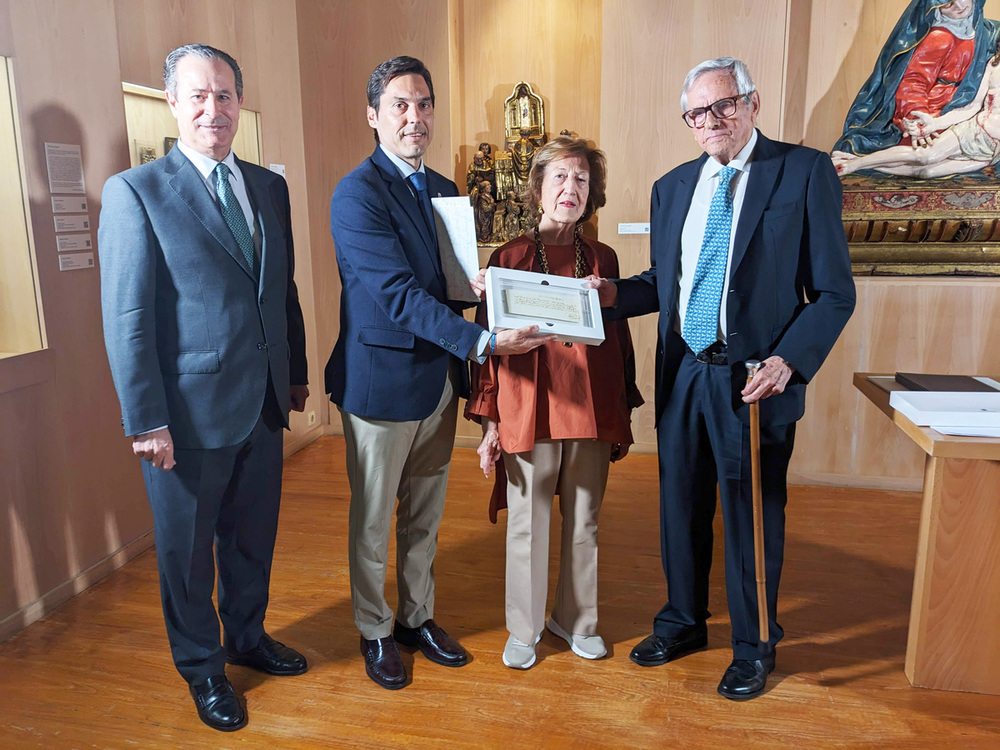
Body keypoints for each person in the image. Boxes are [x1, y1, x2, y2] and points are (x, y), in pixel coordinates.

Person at [591, 57, 855, 700]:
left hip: (754, 379)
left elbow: (833, 293)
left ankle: (754, 644)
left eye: (723, 106)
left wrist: (787, 362)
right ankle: (682, 622)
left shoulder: (803, 171)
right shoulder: (673, 185)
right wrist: (606, 294)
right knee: (679, 506)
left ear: (753, 103)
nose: (710, 121)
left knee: (751, 515)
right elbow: (667, 284)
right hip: (684, 372)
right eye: (696, 113)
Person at [99, 44, 309, 731]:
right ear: (172, 104)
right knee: (187, 557)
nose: (213, 108)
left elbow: (282, 293)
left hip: (263, 405)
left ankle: (247, 637)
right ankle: (203, 667)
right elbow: (128, 320)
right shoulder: (137, 193)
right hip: (183, 420)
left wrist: (296, 374)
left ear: (239, 104)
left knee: (252, 539)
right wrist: (144, 420)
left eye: (224, 95)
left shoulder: (267, 186)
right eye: (198, 95)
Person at [325, 56, 551, 691]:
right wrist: (483, 339)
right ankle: (374, 628)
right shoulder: (357, 193)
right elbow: (395, 293)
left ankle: (415, 618)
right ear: (373, 116)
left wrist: (476, 288)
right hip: (379, 383)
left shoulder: (446, 188)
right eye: (399, 104)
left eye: (423, 104)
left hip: (434, 380)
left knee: (423, 514)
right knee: (374, 519)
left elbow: (442, 286)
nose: (414, 116)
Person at [466, 135, 643, 670]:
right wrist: (490, 421)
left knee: (584, 520)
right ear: (538, 189)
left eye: (583, 179)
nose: (572, 188)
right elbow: (487, 348)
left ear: (594, 192)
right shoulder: (509, 257)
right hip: (529, 406)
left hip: (590, 409)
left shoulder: (604, 257)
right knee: (528, 522)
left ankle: (577, 620)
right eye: (560, 177)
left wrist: (621, 408)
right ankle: (523, 629)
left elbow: (619, 342)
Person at [833, 0, 999, 155]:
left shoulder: (985, 31)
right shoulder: (940, 37)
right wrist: (917, 116)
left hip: (972, 106)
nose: (959, 5)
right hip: (939, 107)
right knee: (928, 151)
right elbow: (913, 82)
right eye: (948, 4)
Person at [834, 36, 1000, 177]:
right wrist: (936, 124)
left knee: (927, 172)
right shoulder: (994, 64)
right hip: (977, 132)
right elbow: (971, 107)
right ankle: (855, 164)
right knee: (925, 156)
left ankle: (854, 162)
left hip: (993, 150)